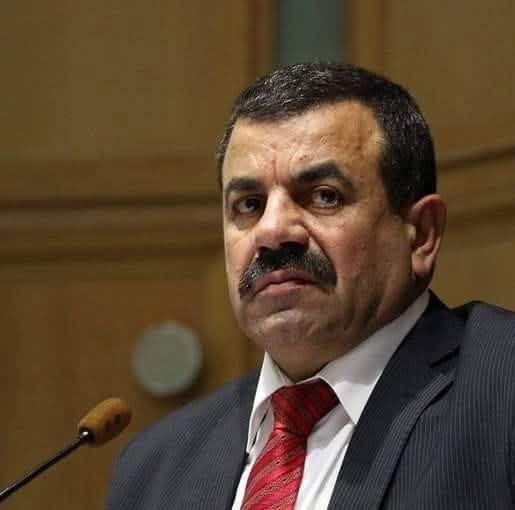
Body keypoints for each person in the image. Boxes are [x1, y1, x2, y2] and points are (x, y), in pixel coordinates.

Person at [106, 63, 515, 509]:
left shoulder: (500, 391)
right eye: (249, 205)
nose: (272, 231)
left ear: (421, 234)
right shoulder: (152, 471)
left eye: (324, 196)